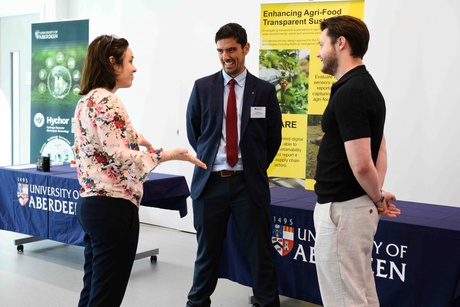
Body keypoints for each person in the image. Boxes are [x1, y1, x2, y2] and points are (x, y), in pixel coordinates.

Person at [73, 34, 206, 307]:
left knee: (92, 291)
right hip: (113, 210)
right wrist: (167, 154)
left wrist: (135, 137)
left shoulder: (85, 101)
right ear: (112, 63)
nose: (135, 67)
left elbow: (103, 144)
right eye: (130, 61)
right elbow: (120, 156)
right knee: (105, 297)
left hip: (91, 206)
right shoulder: (109, 101)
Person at [185, 23, 282, 307]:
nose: (226, 56)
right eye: (220, 51)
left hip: (247, 186)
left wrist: (253, 166)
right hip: (210, 183)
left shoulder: (263, 91)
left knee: (260, 255)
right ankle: (197, 303)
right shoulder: (203, 87)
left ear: (245, 49)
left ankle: (266, 303)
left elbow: (273, 137)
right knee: (206, 255)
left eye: (231, 50)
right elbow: (195, 133)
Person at [312, 15, 401, 307]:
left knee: (345, 298)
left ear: (340, 43)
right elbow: (380, 148)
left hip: (343, 211)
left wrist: (375, 197)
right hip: (354, 207)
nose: (318, 52)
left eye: (322, 44)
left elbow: (363, 164)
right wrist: (375, 194)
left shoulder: (351, 92)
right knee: (361, 293)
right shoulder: (365, 87)